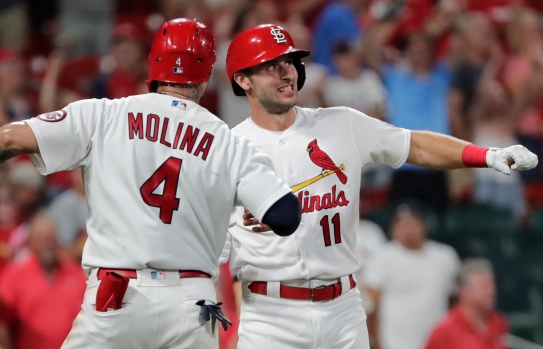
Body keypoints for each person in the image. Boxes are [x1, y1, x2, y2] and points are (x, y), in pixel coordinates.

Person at [0, 18, 301, 349]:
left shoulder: (105, 114)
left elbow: (5, 140)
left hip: (118, 297)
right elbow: (286, 215)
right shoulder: (229, 142)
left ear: (153, 61)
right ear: (206, 73)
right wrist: (260, 215)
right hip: (192, 305)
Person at [224, 24, 537, 349]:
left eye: (289, 62)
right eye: (271, 66)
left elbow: (413, 145)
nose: (285, 72)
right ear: (243, 80)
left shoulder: (340, 123)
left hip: (342, 308)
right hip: (269, 313)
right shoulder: (228, 148)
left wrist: (485, 155)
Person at [364, 203, 461, 349]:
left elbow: (456, 302)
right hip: (394, 343)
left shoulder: (445, 256)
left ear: (424, 225)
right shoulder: (383, 256)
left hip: (437, 342)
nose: (408, 229)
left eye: (413, 223)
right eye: (402, 224)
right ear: (393, 229)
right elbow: (371, 307)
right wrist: (377, 343)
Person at [0, 212, 85, 349]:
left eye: (50, 238)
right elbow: (2, 320)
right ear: (30, 242)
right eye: (41, 239)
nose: (46, 244)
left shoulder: (76, 273)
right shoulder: (15, 273)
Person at [425, 258, 508, 349]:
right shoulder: (444, 332)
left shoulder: (499, 322)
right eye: (483, 285)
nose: (491, 291)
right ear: (463, 290)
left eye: (492, 284)